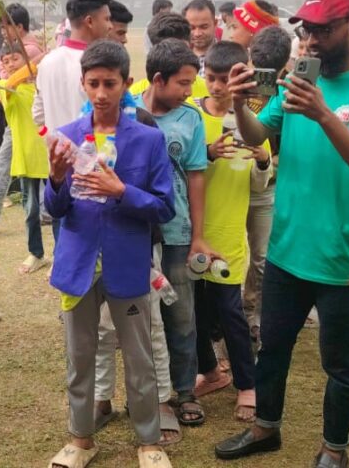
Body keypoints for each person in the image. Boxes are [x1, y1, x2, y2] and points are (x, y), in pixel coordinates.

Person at [216, 0, 349, 468]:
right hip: (285, 249)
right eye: (306, 29)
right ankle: (265, 429)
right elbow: (261, 133)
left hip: (340, 256)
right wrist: (240, 105)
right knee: (273, 347)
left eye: (324, 29)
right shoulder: (297, 75)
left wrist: (323, 114)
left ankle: (334, 449)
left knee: (339, 364)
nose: (311, 39)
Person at [45, 39, 175, 468]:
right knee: (79, 356)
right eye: (94, 83)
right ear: (83, 83)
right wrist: (57, 179)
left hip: (128, 265)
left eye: (111, 84)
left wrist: (122, 191)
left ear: (126, 84)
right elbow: (56, 210)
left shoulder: (148, 140)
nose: (101, 93)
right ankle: (81, 438)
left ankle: (149, 441)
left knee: (139, 357)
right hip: (78, 265)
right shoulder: (65, 137)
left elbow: (164, 207)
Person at [134, 38, 213, 427]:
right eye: (183, 84)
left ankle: (184, 391)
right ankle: (150, 394)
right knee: (139, 319)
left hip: (177, 232)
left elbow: (196, 176)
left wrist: (199, 235)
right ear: (158, 79)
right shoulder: (124, 110)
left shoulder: (191, 119)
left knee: (181, 316)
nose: (189, 92)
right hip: (134, 234)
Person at [193, 41, 264, 423]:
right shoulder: (191, 116)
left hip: (230, 236)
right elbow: (180, 167)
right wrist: (206, 153)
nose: (217, 87)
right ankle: (211, 371)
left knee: (230, 312)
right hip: (193, 234)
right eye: (211, 78)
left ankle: (248, 384)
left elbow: (257, 185)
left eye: (226, 79)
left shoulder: (252, 123)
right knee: (195, 313)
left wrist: (265, 161)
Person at [0, 4, 45, 236]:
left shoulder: (29, 51)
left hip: (28, 121)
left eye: (5, 27)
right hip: (20, 121)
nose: (2, 32)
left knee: (15, 166)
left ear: (19, 27)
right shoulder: (28, 49)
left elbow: (7, 84)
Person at [239, 26, 291, 340]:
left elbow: (292, 148)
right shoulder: (236, 84)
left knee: (261, 258)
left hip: (267, 191)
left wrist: (269, 160)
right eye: (256, 68)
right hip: (230, 187)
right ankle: (226, 317)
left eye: (269, 72)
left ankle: (253, 314)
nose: (262, 78)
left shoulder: (290, 92)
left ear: (285, 65)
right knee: (229, 254)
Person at [0, 40, 51, 274]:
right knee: (31, 211)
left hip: (49, 155)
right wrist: (41, 58)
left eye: (15, 59)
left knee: (57, 209)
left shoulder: (43, 85)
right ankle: (35, 253)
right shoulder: (5, 87)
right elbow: (14, 80)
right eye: (5, 61)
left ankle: (61, 255)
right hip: (26, 158)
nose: (9, 65)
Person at [33, 0, 112, 133]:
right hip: (93, 152)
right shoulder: (100, 64)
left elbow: (38, 115)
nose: (110, 26)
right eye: (106, 19)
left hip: (58, 152)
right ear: (89, 21)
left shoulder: (46, 62)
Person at [130, 12, 209, 99]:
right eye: (166, 55)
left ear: (191, 47)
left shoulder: (209, 94)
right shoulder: (132, 97)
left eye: (180, 53)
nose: (175, 61)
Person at [183, 0, 219, 74]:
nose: (197, 34)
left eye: (204, 27)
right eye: (192, 28)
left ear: (215, 24)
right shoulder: (179, 59)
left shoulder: (227, 56)